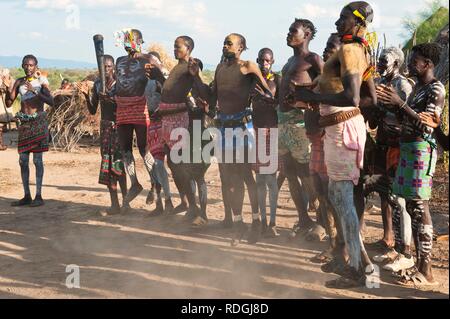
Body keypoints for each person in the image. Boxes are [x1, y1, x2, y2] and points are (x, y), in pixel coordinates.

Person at [291, 1, 377, 288]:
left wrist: (314, 99)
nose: (338, 21)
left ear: (357, 21)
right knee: (339, 198)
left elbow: (353, 98)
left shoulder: (351, 49)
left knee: (341, 198)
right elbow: (371, 99)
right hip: (338, 129)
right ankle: (360, 264)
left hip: (342, 130)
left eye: (343, 17)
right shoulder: (354, 49)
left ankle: (357, 268)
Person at [377, 42, 446, 286]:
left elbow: (426, 126)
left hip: (420, 151)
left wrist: (400, 104)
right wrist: (391, 106)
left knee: (419, 207)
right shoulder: (419, 88)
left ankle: (426, 270)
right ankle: (416, 262)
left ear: (427, 64)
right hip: (407, 149)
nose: (410, 64)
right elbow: (411, 118)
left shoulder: (436, 89)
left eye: (414, 60)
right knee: (405, 204)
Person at [209, 33, 272, 245]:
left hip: (243, 127)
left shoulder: (248, 66)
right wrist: (194, 79)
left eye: (229, 43)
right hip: (225, 127)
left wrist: (257, 93)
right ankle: (238, 224)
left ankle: (255, 222)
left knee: (245, 175)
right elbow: (211, 98)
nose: (225, 45)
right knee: (229, 178)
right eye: (224, 42)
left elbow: (268, 92)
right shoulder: (220, 69)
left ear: (241, 47)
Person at [368, 47, 414, 272]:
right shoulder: (379, 83)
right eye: (379, 60)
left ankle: (404, 249)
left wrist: (391, 104)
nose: (379, 64)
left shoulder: (403, 86)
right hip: (383, 145)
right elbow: (375, 123)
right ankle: (390, 241)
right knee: (385, 194)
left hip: (397, 147)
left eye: (384, 61)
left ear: (396, 64)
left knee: (399, 199)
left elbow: (409, 118)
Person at [278, 19, 324, 237]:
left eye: (292, 31)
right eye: (288, 30)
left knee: (308, 174)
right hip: (282, 121)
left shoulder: (313, 59)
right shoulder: (288, 61)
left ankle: (322, 222)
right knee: (289, 172)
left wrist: (303, 101)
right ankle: (303, 219)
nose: (288, 34)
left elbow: (326, 89)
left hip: (301, 122)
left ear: (306, 34)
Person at [156, 36, 210, 220]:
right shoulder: (177, 67)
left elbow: (203, 95)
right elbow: (171, 92)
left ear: (188, 48)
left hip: (189, 127)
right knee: (174, 164)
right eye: (173, 46)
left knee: (193, 171)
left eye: (177, 46)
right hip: (172, 123)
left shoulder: (190, 68)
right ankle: (190, 205)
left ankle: (199, 212)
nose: (174, 49)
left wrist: (196, 75)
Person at [114, 29, 163, 206]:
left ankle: (155, 183)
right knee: (125, 149)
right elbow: (118, 82)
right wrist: (109, 93)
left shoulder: (148, 59)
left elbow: (162, 78)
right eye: (126, 39)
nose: (129, 43)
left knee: (144, 149)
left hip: (140, 107)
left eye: (132, 40)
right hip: (122, 107)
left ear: (141, 41)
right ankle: (134, 183)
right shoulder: (119, 61)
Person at [77, 55, 128, 215]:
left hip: (119, 126)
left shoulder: (121, 83)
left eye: (108, 66)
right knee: (107, 165)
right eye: (102, 67)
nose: (106, 69)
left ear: (113, 67)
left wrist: (112, 100)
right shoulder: (98, 84)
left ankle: (126, 203)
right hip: (105, 126)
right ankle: (115, 204)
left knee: (119, 164)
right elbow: (93, 110)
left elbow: (126, 105)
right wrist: (86, 95)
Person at [3, 55, 54, 207]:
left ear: (36, 66)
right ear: (22, 66)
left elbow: (50, 101)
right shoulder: (19, 82)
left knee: (38, 161)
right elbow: (9, 102)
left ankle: (38, 196)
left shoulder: (42, 81)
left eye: (31, 65)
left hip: (38, 122)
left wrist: (35, 91)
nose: (28, 68)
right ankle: (26, 195)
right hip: (24, 124)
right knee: (22, 160)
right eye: (26, 65)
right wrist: (7, 88)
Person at [252, 48, 281, 237]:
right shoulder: (251, 80)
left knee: (271, 180)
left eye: (268, 61)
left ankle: (272, 223)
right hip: (255, 132)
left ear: (272, 61)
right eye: (262, 60)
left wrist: (270, 99)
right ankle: (262, 221)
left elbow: (283, 103)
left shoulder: (277, 80)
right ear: (257, 60)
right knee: (259, 180)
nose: (264, 64)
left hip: (271, 132)